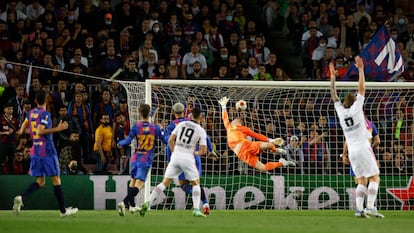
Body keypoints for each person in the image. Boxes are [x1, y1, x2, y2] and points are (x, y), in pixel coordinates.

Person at [329, 57, 384, 218]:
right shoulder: (357, 109)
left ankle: (359, 209)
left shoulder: (340, 111)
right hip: (363, 147)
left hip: (351, 150)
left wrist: (333, 78)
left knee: (361, 180)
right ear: (354, 103)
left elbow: (333, 95)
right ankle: (370, 207)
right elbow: (362, 89)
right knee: (374, 177)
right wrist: (361, 69)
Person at [13, 90, 78, 217]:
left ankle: (22, 198)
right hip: (47, 151)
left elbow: (24, 126)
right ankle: (63, 211)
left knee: (41, 182)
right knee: (56, 180)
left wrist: (21, 131)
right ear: (46, 101)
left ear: (36, 101)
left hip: (35, 151)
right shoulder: (45, 114)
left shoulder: (31, 113)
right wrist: (57, 129)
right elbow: (40, 131)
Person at [140, 107, 208, 217]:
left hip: (176, 156)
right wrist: (196, 153)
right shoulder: (200, 130)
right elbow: (203, 150)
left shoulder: (181, 124)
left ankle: (147, 203)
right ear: (200, 117)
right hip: (188, 157)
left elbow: (170, 140)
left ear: (190, 116)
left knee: (165, 183)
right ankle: (196, 209)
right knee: (196, 183)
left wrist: (174, 151)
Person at [164, 102, 218, 215]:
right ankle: (205, 204)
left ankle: (199, 205)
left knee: (184, 185)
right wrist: (211, 151)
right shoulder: (191, 123)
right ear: (184, 111)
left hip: (180, 157)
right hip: (194, 157)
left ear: (173, 113)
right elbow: (205, 137)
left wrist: (170, 161)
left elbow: (169, 143)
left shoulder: (172, 126)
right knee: (196, 183)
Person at [218, 97, 295, 172]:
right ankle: (282, 163)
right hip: (241, 154)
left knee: (269, 145)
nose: (237, 120)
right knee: (263, 168)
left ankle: (276, 150)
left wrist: (272, 140)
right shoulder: (228, 126)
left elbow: (257, 135)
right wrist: (223, 106)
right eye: (236, 120)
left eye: (238, 120)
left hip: (247, 145)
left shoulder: (244, 128)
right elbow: (225, 117)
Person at [116, 104, 165, 216]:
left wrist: (120, 143)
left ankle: (132, 206)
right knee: (140, 184)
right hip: (145, 158)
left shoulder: (136, 127)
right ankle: (124, 202)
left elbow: (128, 140)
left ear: (139, 113)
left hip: (135, 157)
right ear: (150, 114)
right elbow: (165, 139)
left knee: (133, 181)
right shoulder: (155, 128)